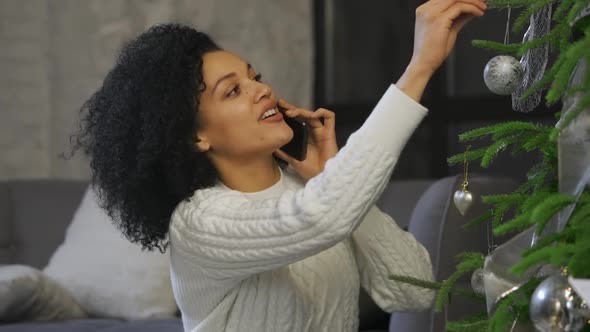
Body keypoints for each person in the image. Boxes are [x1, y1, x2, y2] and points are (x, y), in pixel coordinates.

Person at [70, 0, 486, 330]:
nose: (261, 90)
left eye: (254, 76)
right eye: (233, 91)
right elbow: (320, 219)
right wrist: (419, 70)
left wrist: (329, 176)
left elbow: (414, 291)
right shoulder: (198, 224)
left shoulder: (312, 194)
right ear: (195, 136)